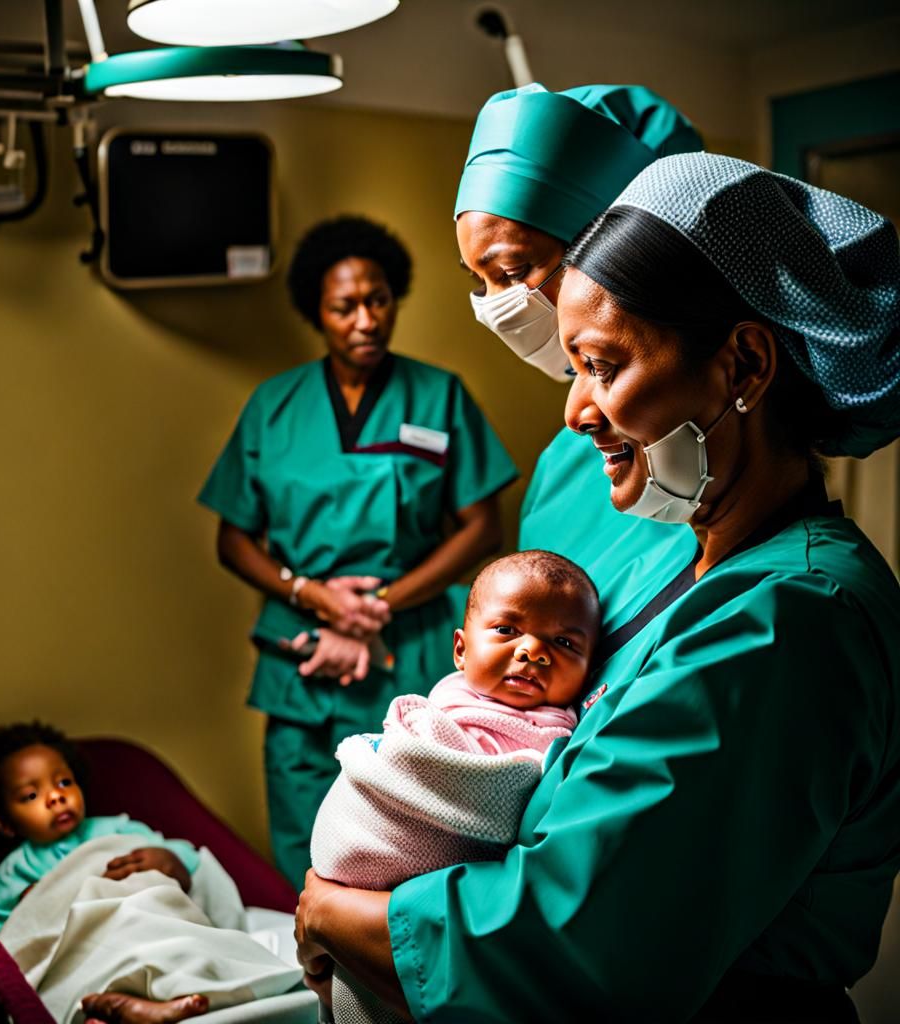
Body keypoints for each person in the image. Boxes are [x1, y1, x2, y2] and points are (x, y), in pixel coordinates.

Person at [294, 155, 900, 1023]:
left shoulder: (789, 617)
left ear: (745, 366)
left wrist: (333, 912)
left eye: (603, 366)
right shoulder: (709, 575)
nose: (578, 410)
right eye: (574, 367)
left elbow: (576, 943)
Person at [198, 216, 518, 891]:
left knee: (419, 834)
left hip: (414, 640)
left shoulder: (438, 397)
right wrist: (313, 597)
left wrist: (378, 605)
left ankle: (402, 984)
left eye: (379, 300)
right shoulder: (274, 407)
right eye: (345, 306)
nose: (366, 320)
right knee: (303, 839)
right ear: (316, 311)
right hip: (300, 656)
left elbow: (482, 528)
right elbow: (234, 539)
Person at [455, 83, 705, 632]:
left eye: (514, 274)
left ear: (609, 249)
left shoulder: (708, 461)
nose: (497, 308)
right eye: (480, 281)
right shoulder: (563, 468)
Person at [309, 550, 597, 1024]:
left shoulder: (555, 732)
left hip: (416, 897)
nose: (533, 652)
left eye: (564, 642)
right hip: (371, 849)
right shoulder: (441, 703)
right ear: (461, 650)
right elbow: (407, 757)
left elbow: (520, 799)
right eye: (507, 630)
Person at [0, 721, 214, 1024]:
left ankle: (146, 1000)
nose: (55, 797)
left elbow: (187, 858)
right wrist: (35, 905)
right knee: (92, 959)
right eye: (31, 795)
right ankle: (113, 1005)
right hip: (86, 948)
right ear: (5, 823)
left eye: (64, 782)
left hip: (140, 922)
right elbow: (3, 937)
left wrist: (167, 860)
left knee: (159, 932)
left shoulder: (117, 828)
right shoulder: (18, 867)